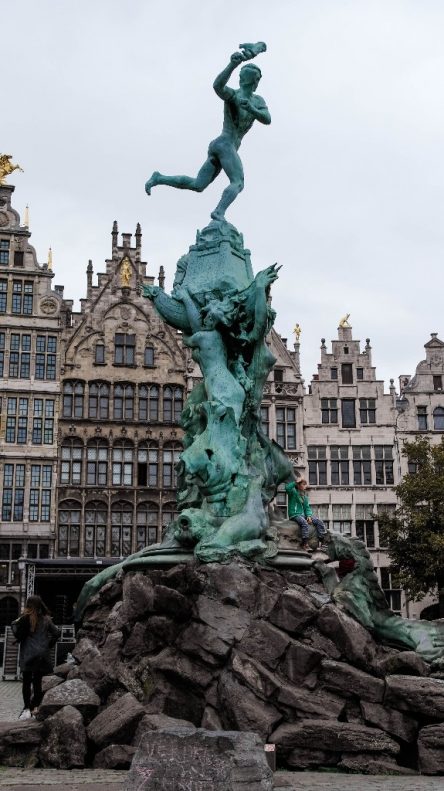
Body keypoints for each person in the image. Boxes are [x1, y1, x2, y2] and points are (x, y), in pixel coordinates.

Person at [145, 48, 271, 222]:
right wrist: (232, 65)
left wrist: (251, 109)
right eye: (256, 79)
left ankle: (159, 178)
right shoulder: (234, 96)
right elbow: (217, 86)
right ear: (253, 81)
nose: (256, 82)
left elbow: (267, 119)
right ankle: (219, 212)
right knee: (238, 182)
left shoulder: (258, 101)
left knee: (198, 184)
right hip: (225, 144)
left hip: (221, 146)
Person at [11, 595, 60, 720]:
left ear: (28, 605)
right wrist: (49, 645)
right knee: (37, 682)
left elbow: (16, 631)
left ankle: (26, 709)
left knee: (26, 682)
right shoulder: (47, 619)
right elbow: (56, 633)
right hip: (41, 655)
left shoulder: (23, 619)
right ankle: (35, 708)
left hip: (28, 655)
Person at [285, 476, 327, 552]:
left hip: (303, 515)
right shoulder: (293, 492)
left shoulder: (304, 496)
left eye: (305, 484)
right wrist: (295, 482)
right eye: (303, 484)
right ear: (298, 485)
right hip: (295, 514)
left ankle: (322, 541)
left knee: (319, 521)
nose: (305, 486)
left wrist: (309, 516)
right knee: (304, 523)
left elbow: (307, 508)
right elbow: (287, 488)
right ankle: (305, 543)